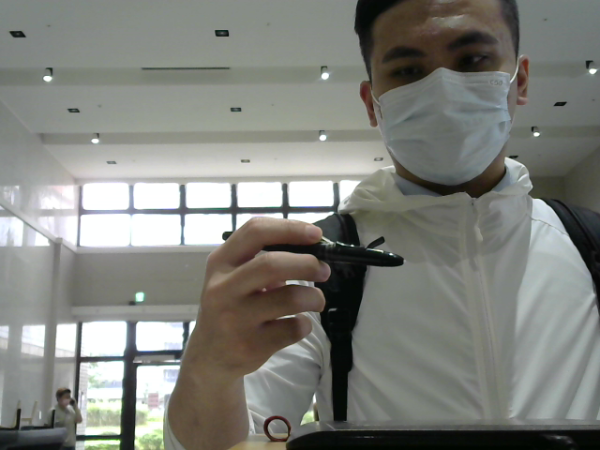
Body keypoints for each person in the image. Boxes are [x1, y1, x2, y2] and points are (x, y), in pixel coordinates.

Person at [165, 1, 600, 449]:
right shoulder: (315, 268)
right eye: (408, 70)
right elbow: (234, 440)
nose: (443, 90)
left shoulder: (588, 246)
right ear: (372, 104)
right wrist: (208, 368)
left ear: (519, 80)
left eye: (472, 60)